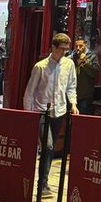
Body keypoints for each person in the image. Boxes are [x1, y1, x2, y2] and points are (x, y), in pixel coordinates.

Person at [23, 33, 78, 193]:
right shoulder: (40, 67)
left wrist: (73, 103)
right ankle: (42, 184)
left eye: (67, 50)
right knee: (47, 146)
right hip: (41, 112)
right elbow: (29, 92)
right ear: (53, 47)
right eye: (61, 49)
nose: (64, 52)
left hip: (59, 111)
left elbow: (71, 86)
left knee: (51, 147)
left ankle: (44, 181)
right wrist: (28, 115)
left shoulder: (69, 64)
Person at [72, 36, 99, 115]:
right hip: (73, 94)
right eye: (76, 46)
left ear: (86, 45)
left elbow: (94, 73)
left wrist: (85, 62)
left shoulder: (92, 56)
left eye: (80, 46)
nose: (78, 48)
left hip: (85, 95)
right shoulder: (72, 56)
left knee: (83, 117)